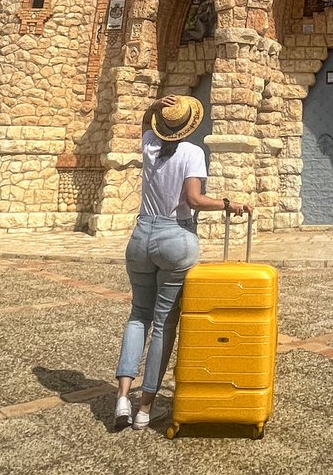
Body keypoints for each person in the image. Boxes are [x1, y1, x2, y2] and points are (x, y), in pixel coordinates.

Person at [114, 94, 251, 431]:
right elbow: (194, 199)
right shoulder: (192, 152)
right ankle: (145, 409)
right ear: (189, 125)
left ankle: (121, 397)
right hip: (175, 238)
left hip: (141, 237)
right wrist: (228, 203)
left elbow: (145, 124)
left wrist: (154, 106)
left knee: (137, 317)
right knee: (163, 324)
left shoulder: (149, 146)